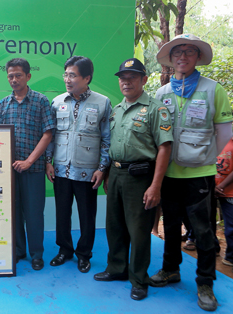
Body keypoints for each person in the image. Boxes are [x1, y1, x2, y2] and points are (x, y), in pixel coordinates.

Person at [150, 34, 233, 312]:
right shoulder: (162, 93)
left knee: (203, 231)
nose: (182, 57)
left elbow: (223, 134)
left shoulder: (213, 89)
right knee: (170, 227)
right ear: (171, 59)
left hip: (200, 175)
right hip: (169, 174)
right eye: (177, 53)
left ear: (197, 57)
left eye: (189, 52)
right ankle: (170, 270)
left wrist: (202, 156)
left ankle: (205, 283)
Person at [93, 58, 173, 301]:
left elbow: (165, 147)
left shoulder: (156, 109)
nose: (126, 82)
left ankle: (139, 279)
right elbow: (112, 145)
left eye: (132, 77)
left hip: (140, 177)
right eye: (122, 78)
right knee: (114, 226)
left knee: (138, 231)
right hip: (116, 175)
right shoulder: (117, 110)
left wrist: (156, 185)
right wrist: (108, 173)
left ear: (144, 80)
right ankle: (117, 268)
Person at [45, 56, 111, 273]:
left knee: (87, 215)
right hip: (61, 169)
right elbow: (51, 136)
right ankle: (64, 250)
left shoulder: (102, 103)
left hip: (87, 171)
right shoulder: (57, 102)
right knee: (62, 213)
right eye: (65, 74)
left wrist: (102, 169)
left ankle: (84, 254)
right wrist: (48, 162)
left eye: (72, 75)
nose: (67, 79)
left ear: (87, 78)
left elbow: (107, 139)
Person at [0, 58, 54, 271]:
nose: (14, 79)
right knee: (13, 212)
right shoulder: (3, 104)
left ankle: (37, 253)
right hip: (8, 171)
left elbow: (48, 134)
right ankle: (18, 250)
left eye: (18, 75)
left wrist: (29, 161)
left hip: (33, 169)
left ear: (28, 76)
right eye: (10, 76)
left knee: (34, 214)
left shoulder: (40, 101)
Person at [215, 135, 233, 269]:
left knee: (231, 227)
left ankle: (230, 256)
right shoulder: (217, 140)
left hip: (229, 192)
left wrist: (221, 186)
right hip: (210, 189)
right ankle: (212, 248)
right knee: (207, 223)